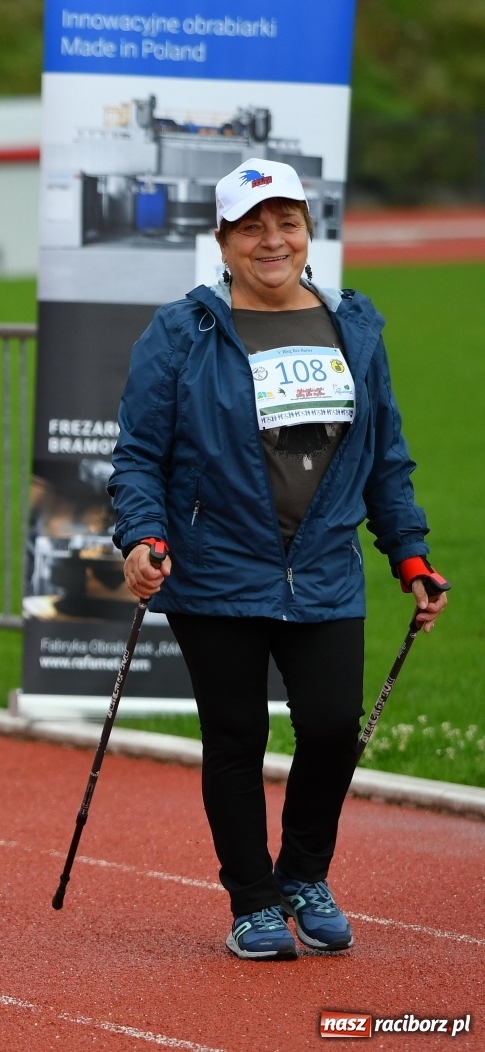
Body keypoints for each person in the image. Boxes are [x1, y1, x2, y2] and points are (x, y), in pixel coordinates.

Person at [110, 157, 448, 962]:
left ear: (307, 230)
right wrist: (141, 535)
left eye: (286, 222)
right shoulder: (182, 330)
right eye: (252, 226)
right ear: (223, 240)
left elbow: (385, 457)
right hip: (217, 566)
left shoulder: (354, 327)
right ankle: (253, 899)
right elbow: (138, 454)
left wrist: (409, 552)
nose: (272, 240)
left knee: (333, 726)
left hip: (325, 568)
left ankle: (303, 874)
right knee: (237, 734)